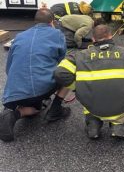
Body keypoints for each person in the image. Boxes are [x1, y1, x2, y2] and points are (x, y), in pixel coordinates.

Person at [54, 25, 124, 139]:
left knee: (87, 88)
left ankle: (93, 123)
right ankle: (118, 124)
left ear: (93, 39)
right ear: (111, 36)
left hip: (92, 105)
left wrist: (77, 88)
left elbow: (59, 73)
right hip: (121, 106)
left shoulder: (77, 56)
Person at [0, 9, 71, 142]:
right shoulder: (57, 34)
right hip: (41, 88)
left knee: (34, 110)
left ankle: (13, 113)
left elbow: (9, 68)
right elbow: (62, 64)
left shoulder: (20, 36)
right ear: (52, 22)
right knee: (70, 70)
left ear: (35, 21)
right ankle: (56, 109)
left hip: (13, 92)